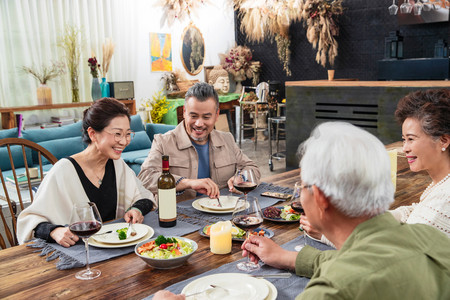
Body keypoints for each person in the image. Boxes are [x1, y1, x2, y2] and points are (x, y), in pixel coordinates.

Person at [153, 122, 450, 299]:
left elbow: (350, 270)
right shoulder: (432, 240)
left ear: (319, 198)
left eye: (303, 186)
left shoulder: (333, 290)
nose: (300, 193)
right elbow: (357, 258)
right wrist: (286, 257)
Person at [301, 89, 450, 241]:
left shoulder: (445, 198)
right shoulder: (440, 184)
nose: (405, 148)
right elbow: (413, 211)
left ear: (443, 141)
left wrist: (330, 234)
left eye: (411, 139)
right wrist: (360, 221)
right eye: (404, 139)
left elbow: (395, 252)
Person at [17, 98, 156, 247]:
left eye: (128, 134)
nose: (124, 141)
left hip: (116, 251)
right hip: (77, 253)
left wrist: (136, 209)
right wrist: (54, 231)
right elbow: (28, 221)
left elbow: (145, 198)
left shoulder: (118, 165)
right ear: (93, 134)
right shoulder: (63, 170)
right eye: (117, 134)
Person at [138, 82, 260, 201]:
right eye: (194, 116)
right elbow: (145, 178)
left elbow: (251, 168)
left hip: (222, 215)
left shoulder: (227, 139)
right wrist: (187, 183)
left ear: (217, 115)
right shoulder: (163, 142)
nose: (199, 124)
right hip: (179, 217)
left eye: (206, 117)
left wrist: (240, 177)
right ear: (184, 112)